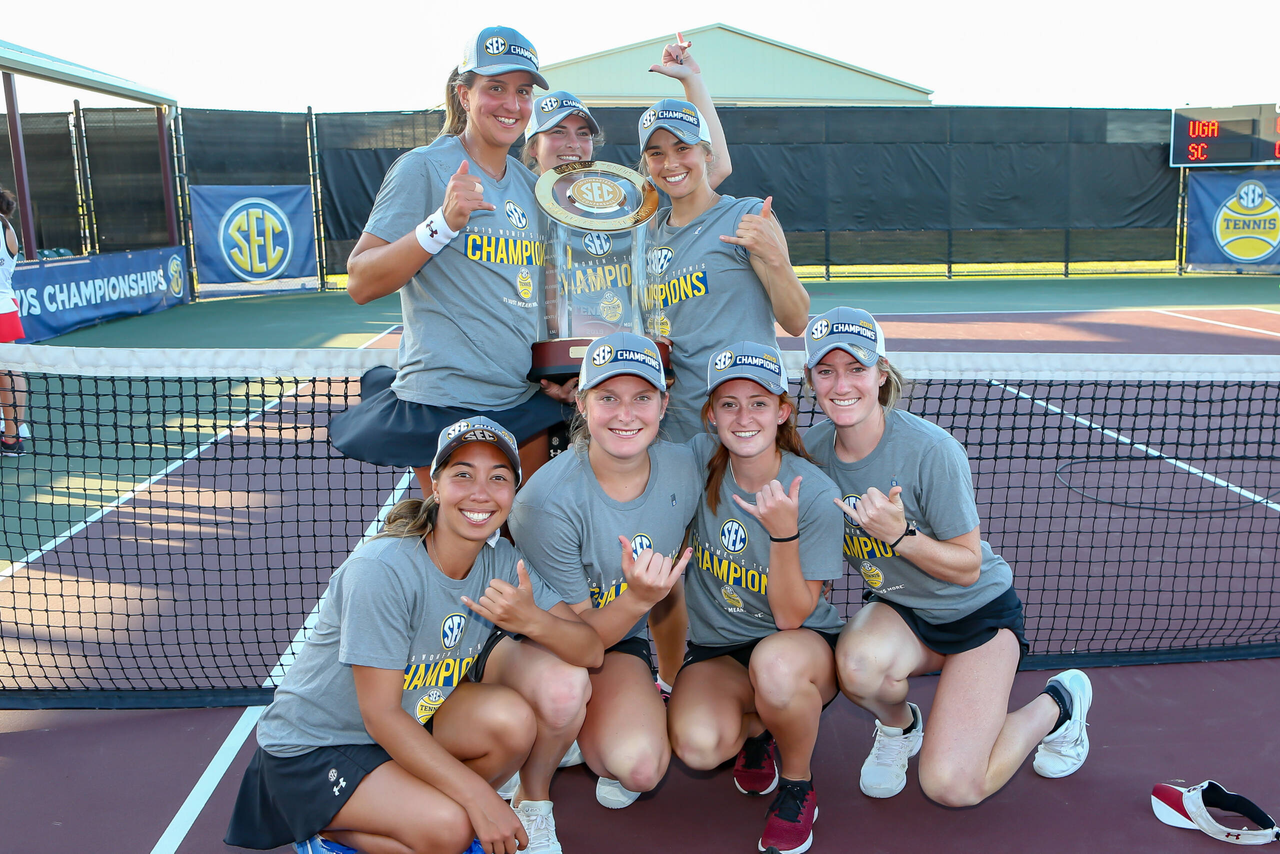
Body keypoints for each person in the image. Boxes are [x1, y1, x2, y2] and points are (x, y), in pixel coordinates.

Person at [225, 417, 603, 854]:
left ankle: (415, 812)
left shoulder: (501, 561)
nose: (481, 492)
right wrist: (477, 797)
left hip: (405, 728)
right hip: (318, 748)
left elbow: (590, 651)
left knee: (512, 723)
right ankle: (325, 832)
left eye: (498, 478)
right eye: (463, 474)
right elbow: (380, 716)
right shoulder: (382, 571)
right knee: (452, 828)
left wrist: (533, 621)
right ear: (435, 485)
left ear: (513, 492)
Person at [801, 306, 1092, 809]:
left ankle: (1060, 705)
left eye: (856, 369)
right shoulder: (811, 452)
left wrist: (900, 535)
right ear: (810, 380)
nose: (841, 385)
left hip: (978, 615)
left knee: (952, 787)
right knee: (856, 666)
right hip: (903, 612)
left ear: (881, 373)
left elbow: (968, 566)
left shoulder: (930, 451)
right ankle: (899, 729)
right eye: (826, 371)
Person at [330, 26, 573, 494]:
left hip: (521, 402)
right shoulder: (423, 167)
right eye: (495, 88)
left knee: (524, 545)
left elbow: (540, 299)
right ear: (464, 94)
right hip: (445, 405)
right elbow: (360, 281)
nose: (510, 104)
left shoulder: (528, 186)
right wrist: (442, 223)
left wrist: (557, 369)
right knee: (459, 553)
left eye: (522, 92)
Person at [667, 341, 844, 854]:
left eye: (759, 403)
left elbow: (791, 615)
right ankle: (760, 731)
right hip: (720, 649)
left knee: (775, 668)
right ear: (711, 414)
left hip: (798, 646)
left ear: (783, 411)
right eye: (729, 404)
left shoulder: (811, 492)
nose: (744, 417)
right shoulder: (699, 464)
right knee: (699, 748)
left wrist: (784, 534)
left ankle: (797, 784)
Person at [508, 332, 698, 810]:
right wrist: (637, 598)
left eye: (642, 398)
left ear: (663, 402)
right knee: (563, 688)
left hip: (616, 640)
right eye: (608, 398)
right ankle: (548, 730)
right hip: (548, 644)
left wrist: (672, 684)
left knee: (640, 768)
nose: (626, 414)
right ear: (581, 402)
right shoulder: (544, 505)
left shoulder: (686, 467)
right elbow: (578, 640)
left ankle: (591, 723)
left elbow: (670, 595)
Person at [637, 99, 810, 444]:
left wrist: (774, 257)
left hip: (743, 421)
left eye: (682, 148)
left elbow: (796, 321)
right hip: (674, 424)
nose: (670, 163)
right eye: (656, 153)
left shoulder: (745, 216)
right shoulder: (644, 233)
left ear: (707, 153)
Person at [522, 33, 733, 186]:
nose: (574, 144)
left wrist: (692, 80)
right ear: (533, 147)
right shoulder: (515, 200)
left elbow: (717, 167)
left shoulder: (619, 198)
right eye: (558, 132)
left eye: (583, 134)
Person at [0, 185, 28, 457]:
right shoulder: (6, 226)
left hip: (1, 308)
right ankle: (12, 436)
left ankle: (11, 436)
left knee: (7, 373)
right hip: (6, 308)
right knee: (10, 372)